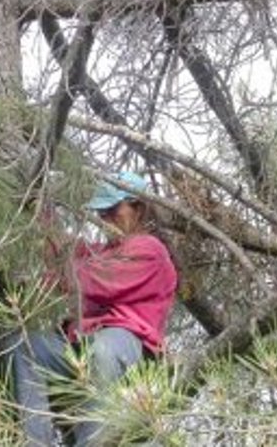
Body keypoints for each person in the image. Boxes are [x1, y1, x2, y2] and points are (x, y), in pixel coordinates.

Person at [10, 171, 178, 446]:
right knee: (26, 347)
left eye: (113, 209)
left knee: (103, 350)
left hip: (127, 346)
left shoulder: (150, 249)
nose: (105, 218)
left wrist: (44, 280)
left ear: (139, 207)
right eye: (101, 212)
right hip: (82, 345)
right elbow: (62, 250)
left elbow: (91, 278)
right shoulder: (101, 251)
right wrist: (41, 208)